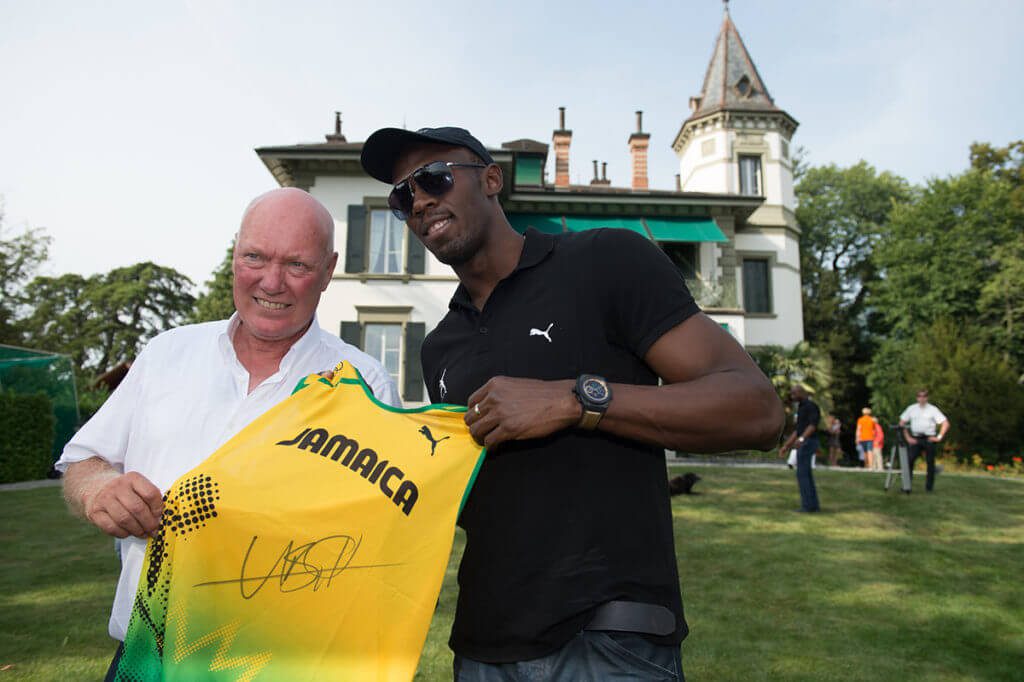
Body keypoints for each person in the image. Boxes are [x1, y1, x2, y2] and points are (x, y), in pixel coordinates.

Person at [360, 126, 784, 680]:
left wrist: (577, 399)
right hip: (482, 650)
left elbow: (757, 410)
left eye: (434, 178)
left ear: (492, 180)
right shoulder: (440, 346)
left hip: (608, 639)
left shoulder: (604, 261)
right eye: (402, 196)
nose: (418, 201)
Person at [57, 188, 400, 679]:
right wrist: (98, 489)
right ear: (236, 253)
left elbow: (379, 544)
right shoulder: (167, 354)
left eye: (297, 265)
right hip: (144, 657)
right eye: (255, 257)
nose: (272, 282)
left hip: (282, 664)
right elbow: (83, 460)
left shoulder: (364, 383)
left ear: (328, 271)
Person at [778, 385, 821, 512]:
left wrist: (802, 439)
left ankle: (808, 506)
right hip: (804, 441)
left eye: (794, 394)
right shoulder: (801, 407)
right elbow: (798, 430)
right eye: (791, 394)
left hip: (809, 442)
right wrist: (786, 446)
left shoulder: (811, 406)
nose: (792, 396)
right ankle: (813, 506)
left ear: (802, 392)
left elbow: (812, 425)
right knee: (805, 474)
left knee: (803, 474)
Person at [899, 388, 950, 492]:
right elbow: (901, 423)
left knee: (930, 463)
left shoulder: (933, 409)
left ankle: (929, 487)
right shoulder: (911, 409)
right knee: (909, 460)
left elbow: (945, 423)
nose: (922, 398)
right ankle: (907, 486)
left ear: (927, 397)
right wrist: (908, 438)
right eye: (920, 396)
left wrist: (939, 437)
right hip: (916, 438)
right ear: (917, 397)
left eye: (924, 396)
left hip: (929, 438)